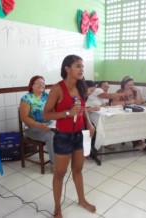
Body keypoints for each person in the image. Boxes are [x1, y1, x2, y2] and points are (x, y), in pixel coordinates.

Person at [43, 55, 96, 218]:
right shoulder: (57, 89)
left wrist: (88, 123)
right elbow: (46, 114)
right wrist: (67, 113)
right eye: (78, 66)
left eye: (82, 66)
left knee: (78, 170)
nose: (82, 69)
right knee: (60, 173)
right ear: (67, 69)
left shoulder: (81, 86)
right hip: (63, 136)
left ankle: (81, 200)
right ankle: (57, 208)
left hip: (79, 135)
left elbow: (83, 108)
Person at [19, 75, 55, 172]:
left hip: (49, 125)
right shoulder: (26, 98)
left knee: (62, 131)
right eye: (38, 83)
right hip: (32, 128)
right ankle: (54, 165)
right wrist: (40, 126)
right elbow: (24, 118)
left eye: (43, 83)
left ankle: (62, 159)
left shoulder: (47, 96)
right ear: (32, 85)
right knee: (51, 135)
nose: (41, 85)